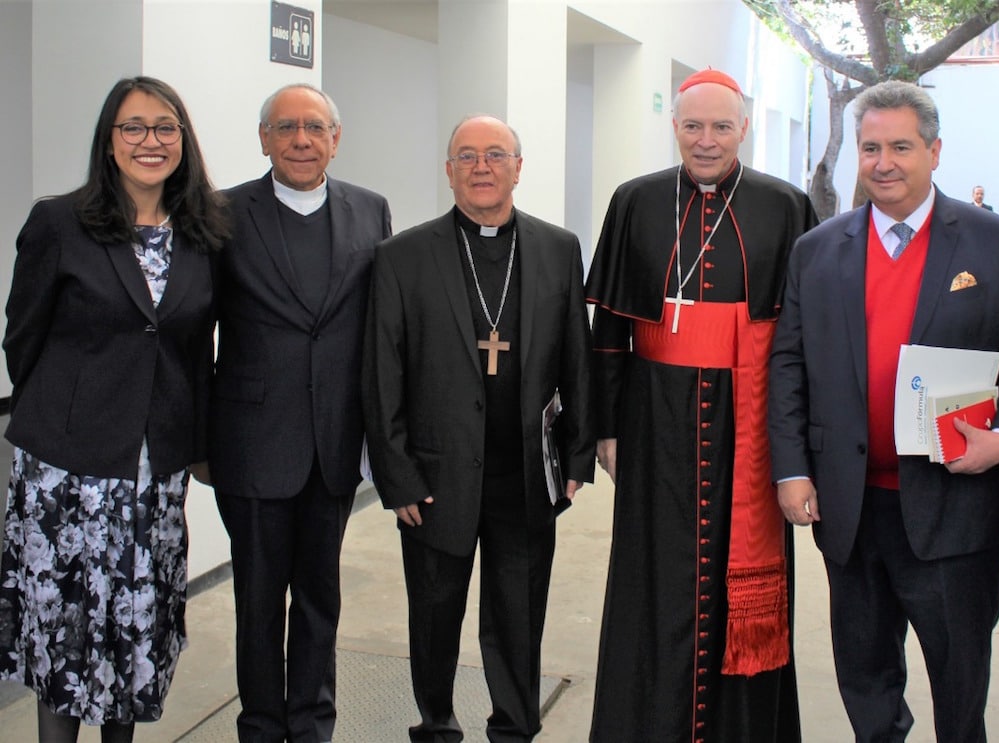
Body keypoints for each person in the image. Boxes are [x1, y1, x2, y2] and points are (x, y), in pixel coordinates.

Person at [768, 80, 999, 742]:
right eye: (869, 148)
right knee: (865, 673)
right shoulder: (817, 249)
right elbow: (789, 365)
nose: (883, 162)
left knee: (959, 677)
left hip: (954, 503)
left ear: (935, 151)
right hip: (850, 505)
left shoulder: (993, 242)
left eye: (900, 146)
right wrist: (792, 468)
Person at [586, 69, 819, 742]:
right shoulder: (635, 200)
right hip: (654, 417)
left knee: (738, 583)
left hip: (753, 422)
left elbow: (804, 334)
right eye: (693, 125)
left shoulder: (786, 204)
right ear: (674, 126)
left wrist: (799, 441)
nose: (707, 140)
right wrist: (607, 425)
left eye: (721, 126)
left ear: (744, 128)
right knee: (653, 581)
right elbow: (609, 329)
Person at [0, 76, 228, 742]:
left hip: (155, 475)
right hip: (66, 475)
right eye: (133, 127)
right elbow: (23, 337)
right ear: (109, 140)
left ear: (183, 140)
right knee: (66, 631)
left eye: (165, 127)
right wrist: (68, 412)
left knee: (137, 626)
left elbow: (195, 350)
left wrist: (197, 445)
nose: (149, 141)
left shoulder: (203, 234)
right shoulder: (59, 222)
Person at [363, 114, 594, 742]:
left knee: (518, 617)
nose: (482, 167)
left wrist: (576, 460)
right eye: (467, 156)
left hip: (526, 472)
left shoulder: (557, 247)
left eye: (496, 155)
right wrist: (397, 476)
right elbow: (381, 375)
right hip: (436, 477)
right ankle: (435, 725)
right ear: (448, 171)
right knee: (435, 618)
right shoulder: (402, 256)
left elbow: (578, 357)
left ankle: (515, 728)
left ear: (519, 167)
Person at [208, 83, 391, 742]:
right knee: (258, 601)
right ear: (264, 139)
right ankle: (259, 724)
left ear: (335, 138)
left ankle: (312, 723)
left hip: (334, 443)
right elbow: (194, 327)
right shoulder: (222, 213)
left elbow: (379, 331)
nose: (302, 140)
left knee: (321, 598)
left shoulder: (371, 211)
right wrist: (201, 437)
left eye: (315, 127)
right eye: (286, 127)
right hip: (253, 442)